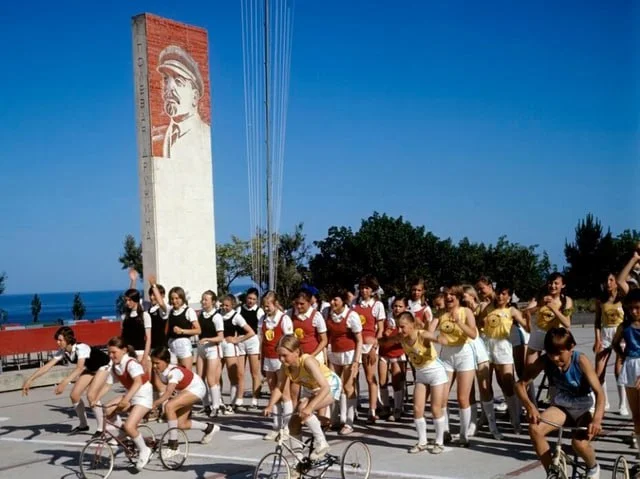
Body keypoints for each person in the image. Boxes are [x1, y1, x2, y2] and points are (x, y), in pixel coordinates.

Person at [515, 328, 603, 479]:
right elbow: (519, 385)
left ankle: (593, 467)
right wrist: (530, 407)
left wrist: (597, 419)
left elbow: (599, 393)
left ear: (571, 347)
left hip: (585, 406)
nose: (555, 358)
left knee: (579, 444)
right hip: (562, 406)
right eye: (551, 354)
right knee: (535, 429)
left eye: (559, 353)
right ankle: (552, 473)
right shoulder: (545, 361)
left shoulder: (580, 360)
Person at [263, 335, 342, 464]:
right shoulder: (285, 367)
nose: (281, 359)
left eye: (285, 355)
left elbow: (325, 387)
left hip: (330, 385)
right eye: (279, 356)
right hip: (314, 389)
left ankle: (322, 443)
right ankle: (297, 463)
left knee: (303, 409)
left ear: (297, 352)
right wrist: (270, 406)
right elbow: (279, 388)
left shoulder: (307, 361)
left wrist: (310, 408)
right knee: (293, 423)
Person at [22, 326, 111, 437]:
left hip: (104, 366)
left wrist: (64, 383)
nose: (57, 342)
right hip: (91, 368)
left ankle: (101, 429)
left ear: (68, 340)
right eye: (57, 340)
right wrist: (30, 379)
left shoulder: (81, 348)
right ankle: (83, 425)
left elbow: (79, 368)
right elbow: (47, 366)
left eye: (60, 340)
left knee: (91, 396)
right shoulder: (63, 351)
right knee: (74, 395)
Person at [382, 311, 448, 454]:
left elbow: (437, 338)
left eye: (403, 327)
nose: (400, 330)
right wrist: (376, 341)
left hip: (436, 373)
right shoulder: (401, 337)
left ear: (412, 325)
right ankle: (422, 442)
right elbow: (387, 341)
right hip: (420, 375)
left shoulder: (422, 335)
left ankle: (439, 442)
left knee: (436, 409)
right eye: (398, 327)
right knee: (417, 409)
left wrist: (441, 339)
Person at [428, 285, 478, 446]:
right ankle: (445, 432)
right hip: (446, 356)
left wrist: (459, 322)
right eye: (446, 295)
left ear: (458, 297)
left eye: (452, 295)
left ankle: (464, 435)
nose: (449, 297)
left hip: (464, 355)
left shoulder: (466, 312)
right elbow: (428, 332)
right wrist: (434, 339)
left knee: (463, 398)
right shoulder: (440, 313)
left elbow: (473, 334)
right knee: (442, 398)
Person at [151, 347, 219, 455]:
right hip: (184, 390)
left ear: (166, 361)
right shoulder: (159, 371)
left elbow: (168, 393)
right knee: (181, 424)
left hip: (196, 388)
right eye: (152, 363)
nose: (154, 366)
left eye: (157, 363)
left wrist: (155, 404)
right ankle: (209, 428)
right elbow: (162, 389)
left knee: (169, 406)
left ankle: (173, 446)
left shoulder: (174, 373)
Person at [99, 337, 155, 471]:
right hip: (131, 394)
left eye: (113, 352)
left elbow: (138, 382)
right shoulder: (115, 366)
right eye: (109, 352)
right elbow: (108, 384)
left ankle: (144, 450)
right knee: (107, 410)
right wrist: (95, 398)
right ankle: (123, 434)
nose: (111, 355)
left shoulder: (131, 363)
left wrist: (125, 399)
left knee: (130, 425)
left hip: (143, 395)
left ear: (124, 350)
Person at [478, 284, 527, 434]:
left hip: (503, 346)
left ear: (509, 296)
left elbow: (527, 326)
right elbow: (479, 322)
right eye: (499, 293)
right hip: (487, 345)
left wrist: (530, 317)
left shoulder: (511, 310)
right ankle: (486, 416)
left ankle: (515, 418)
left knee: (507, 381)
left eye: (504, 294)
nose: (500, 297)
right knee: (485, 383)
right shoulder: (487, 307)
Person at [156, 45, 211, 160]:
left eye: (179, 81)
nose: (169, 87)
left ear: (195, 96)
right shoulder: (163, 136)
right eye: (166, 79)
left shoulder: (206, 136)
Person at [325, 289, 363, 435]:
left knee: (348, 387)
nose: (332, 303)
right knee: (333, 386)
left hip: (349, 354)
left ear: (343, 301)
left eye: (336, 300)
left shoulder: (351, 315)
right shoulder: (327, 313)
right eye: (331, 299)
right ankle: (334, 420)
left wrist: (356, 361)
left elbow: (359, 339)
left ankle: (349, 422)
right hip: (334, 354)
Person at [261, 291, 294, 440]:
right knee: (272, 390)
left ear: (275, 304)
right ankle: (276, 426)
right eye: (264, 306)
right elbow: (261, 340)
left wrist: (287, 361)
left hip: (281, 359)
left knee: (284, 392)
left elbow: (289, 340)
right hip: (268, 358)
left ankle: (286, 428)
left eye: (268, 305)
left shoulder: (284, 319)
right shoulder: (262, 319)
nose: (266, 308)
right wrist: (261, 359)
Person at [353, 275, 386, 423]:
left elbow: (380, 329)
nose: (364, 291)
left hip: (370, 345)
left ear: (372, 290)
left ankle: (372, 410)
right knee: (352, 378)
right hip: (355, 345)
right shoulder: (354, 304)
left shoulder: (377, 305)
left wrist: (374, 347)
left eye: (367, 288)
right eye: (362, 288)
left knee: (370, 378)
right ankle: (352, 409)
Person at [288, 289, 329, 409]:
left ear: (309, 302)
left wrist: (312, 355)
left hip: (314, 357)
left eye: (302, 304)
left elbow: (324, 340)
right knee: (294, 387)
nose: (298, 306)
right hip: (296, 358)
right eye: (296, 303)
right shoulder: (290, 314)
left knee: (318, 389)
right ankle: (294, 416)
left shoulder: (316, 316)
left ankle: (322, 420)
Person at [594, 272, 627, 415]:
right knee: (599, 371)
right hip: (605, 334)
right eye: (606, 280)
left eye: (611, 280)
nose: (608, 282)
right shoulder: (600, 300)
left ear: (616, 282)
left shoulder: (623, 299)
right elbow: (597, 321)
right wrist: (597, 338)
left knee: (618, 371)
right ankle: (604, 401)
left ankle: (622, 404)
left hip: (620, 334)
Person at [612, 288, 640, 461]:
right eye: (630, 308)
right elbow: (615, 343)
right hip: (630, 366)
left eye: (637, 307)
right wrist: (623, 356)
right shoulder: (625, 326)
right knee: (636, 415)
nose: (633, 311)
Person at [220, 294, 257, 412]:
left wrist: (236, 339)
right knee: (216, 376)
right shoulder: (218, 314)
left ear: (233, 305)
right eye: (223, 305)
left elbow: (251, 332)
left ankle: (234, 402)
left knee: (235, 376)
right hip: (219, 346)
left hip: (232, 347)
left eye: (227, 305)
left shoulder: (236, 316)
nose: (224, 307)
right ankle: (218, 402)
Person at [379, 296, 408, 422]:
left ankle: (397, 408)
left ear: (405, 308)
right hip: (384, 353)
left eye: (400, 306)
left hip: (398, 354)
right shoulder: (387, 320)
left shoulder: (406, 321)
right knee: (382, 381)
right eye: (395, 306)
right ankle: (385, 406)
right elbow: (380, 337)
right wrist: (385, 335)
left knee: (397, 382)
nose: (397, 308)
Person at [196, 290, 224, 417]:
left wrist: (208, 339)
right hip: (201, 348)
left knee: (211, 379)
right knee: (200, 378)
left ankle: (216, 406)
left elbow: (220, 337)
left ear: (213, 302)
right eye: (202, 299)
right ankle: (205, 405)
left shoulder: (217, 317)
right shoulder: (201, 315)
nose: (203, 302)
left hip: (213, 349)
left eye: (206, 300)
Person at [237, 287, 264, 409]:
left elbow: (261, 330)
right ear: (246, 297)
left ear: (257, 300)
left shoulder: (259, 311)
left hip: (253, 341)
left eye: (253, 299)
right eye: (249, 298)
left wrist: (260, 346)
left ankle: (255, 399)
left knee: (254, 373)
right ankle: (239, 398)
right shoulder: (239, 309)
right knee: (240, 373)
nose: (251, 301)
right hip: (240, 341)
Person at [166, 286, 201, 368]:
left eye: (177, 298)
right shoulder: (171, 312)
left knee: (186, 374)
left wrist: (182, 331)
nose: (174, 301)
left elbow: (198, 330)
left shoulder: (189, 311)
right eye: (172, 299)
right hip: (172, 346)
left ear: (182, 298)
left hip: (184, 346)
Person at [121, 288, 152, 370]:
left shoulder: (145, 316)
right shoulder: (124, 317)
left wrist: (145, 357)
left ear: (136, 299)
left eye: (130, 300)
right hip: (128, 354)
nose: (127, 303)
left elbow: (148, 338)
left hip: (141, 352)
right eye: (126, 300)